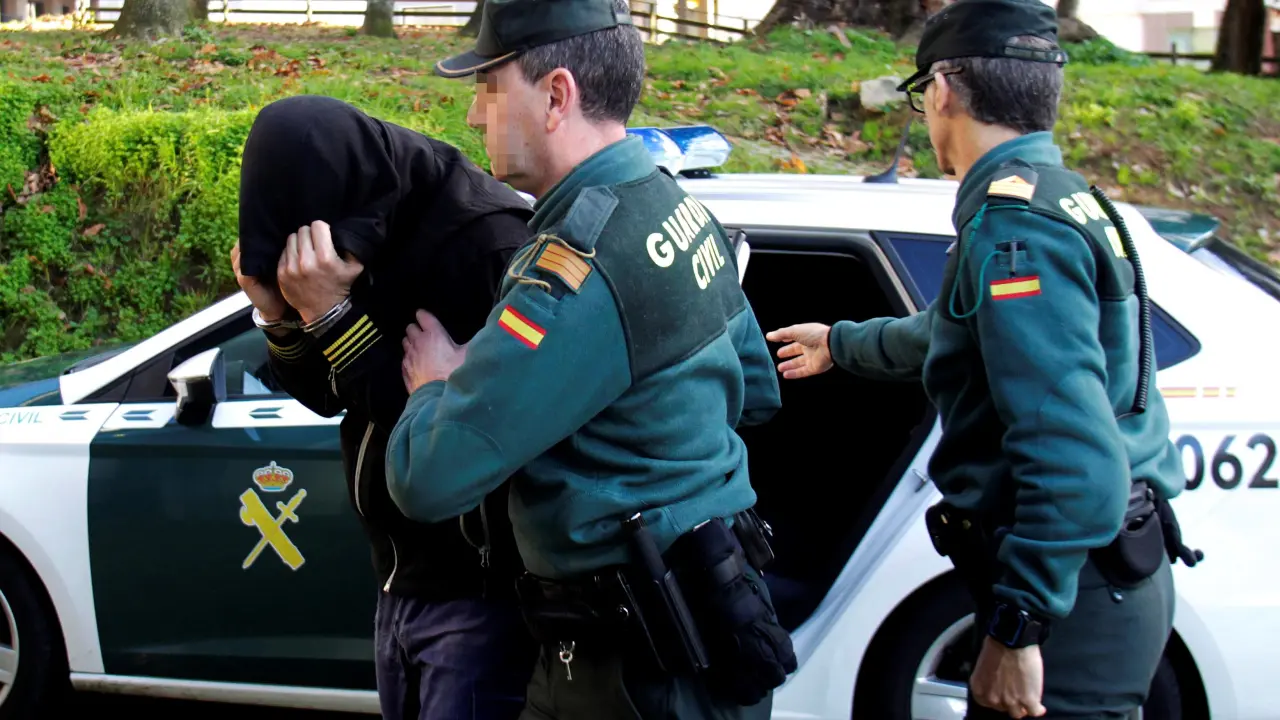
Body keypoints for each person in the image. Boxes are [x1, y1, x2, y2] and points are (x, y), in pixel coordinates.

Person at [766, 1, 1202, 717]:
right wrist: (839, 343)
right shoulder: (1063, 196)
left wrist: (1020, 623)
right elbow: (961, 330)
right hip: (1099, 575)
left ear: (942, 89)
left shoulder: (1016, 230)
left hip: (1077, 597)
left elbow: (1072, 451)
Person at [380, 0, 795, 718]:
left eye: (488, 88)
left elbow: (428, 480)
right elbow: (757, 390)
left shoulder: (576, 268)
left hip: (632, 670)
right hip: (713, 615)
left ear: (555, 96)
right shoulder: (671, 206)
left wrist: (435, 386)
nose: (475, 116)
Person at [229, 94, 539, 720]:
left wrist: (331, 314)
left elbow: (455, 441)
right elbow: (330, 394)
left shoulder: (485, 246)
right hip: (398, 578)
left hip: (476, 592)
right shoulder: (361, 222)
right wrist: (279, 314)